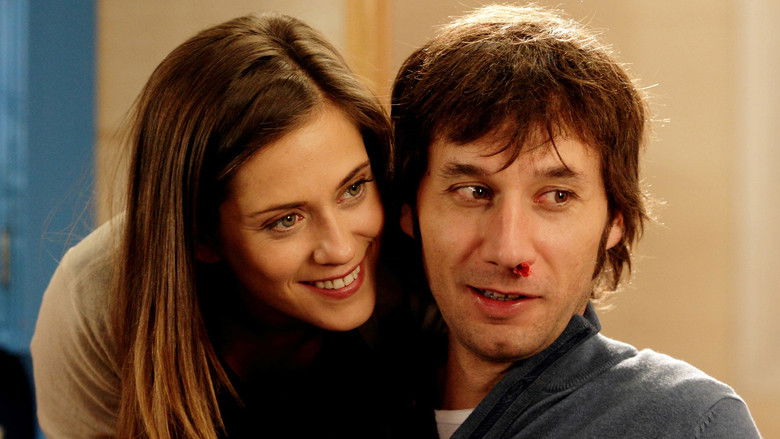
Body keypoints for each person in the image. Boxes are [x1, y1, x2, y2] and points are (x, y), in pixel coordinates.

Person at [388, 4, 761, 438]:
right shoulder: (337, 403)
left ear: (615, 220)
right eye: (474, 192)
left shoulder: (689, 423)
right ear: (409, 210)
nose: (508, 251)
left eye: (557, 196)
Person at [31, 13, 403, 438]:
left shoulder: (416, 256)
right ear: (201, 236)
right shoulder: (97, 300)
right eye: (286, 220)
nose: (340, 249)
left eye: (352, 189)